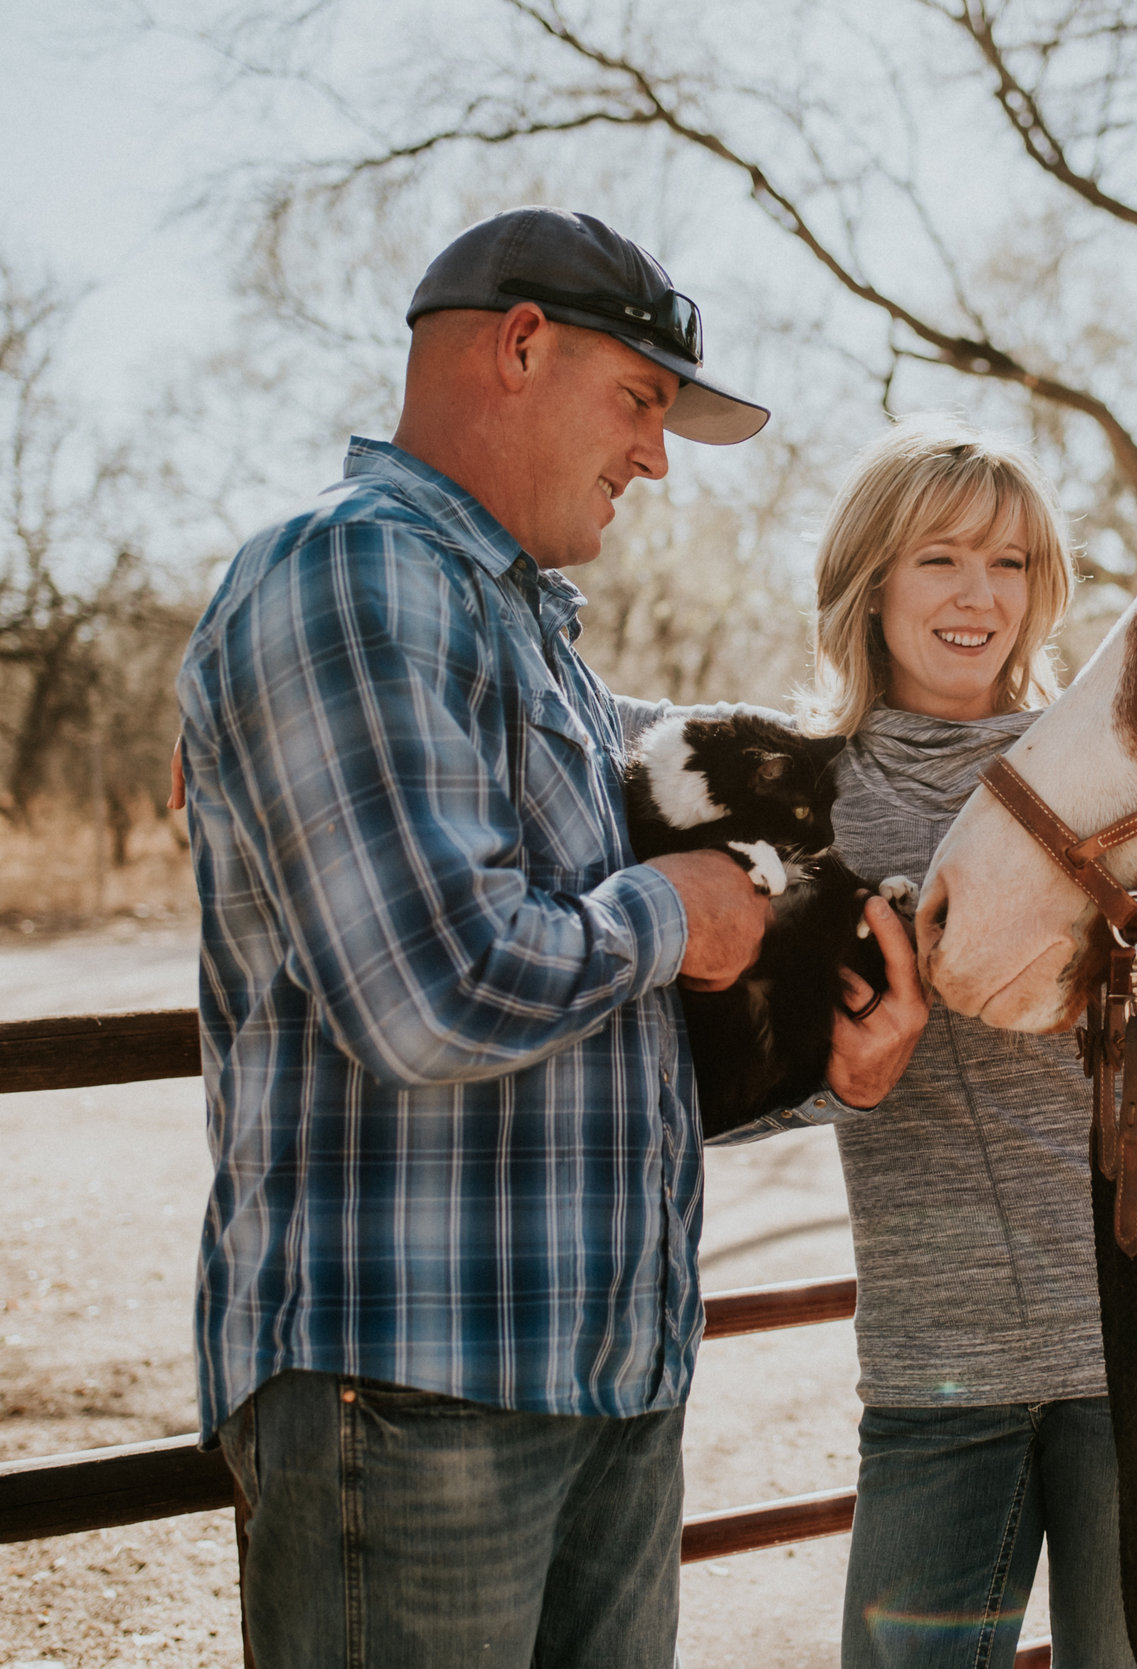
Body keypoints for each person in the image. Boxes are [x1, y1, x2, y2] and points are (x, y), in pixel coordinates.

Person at [174, 207, 927, 1669]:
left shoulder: (534, 643)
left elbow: (603, 1039)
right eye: (642, 402)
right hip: (416, 1397)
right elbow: (430, 994)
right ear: (521, 347)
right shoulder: (351, 577)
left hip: (601, 1388)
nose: (656, 459)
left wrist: (832, 1068)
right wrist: (678, 909)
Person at [722, 417, 1137, 1669]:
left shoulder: (1101, 782)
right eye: (942, 560)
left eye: (1012, 563)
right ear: (870, 585)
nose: (980, 596)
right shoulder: (800, 807)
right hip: (934, 1375)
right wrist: (843, 1085)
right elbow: (736, 1088)